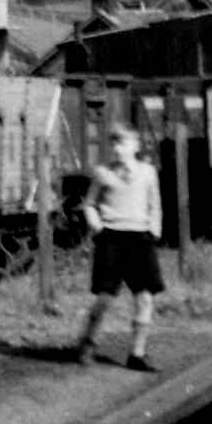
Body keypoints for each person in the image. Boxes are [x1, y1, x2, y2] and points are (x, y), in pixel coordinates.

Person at [72, 128, 165, 371]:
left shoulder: (148, 172)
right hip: (111, 240)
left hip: (140, 240)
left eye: (122, 143)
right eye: (113, 144)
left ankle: (137, 353)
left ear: (135, 145)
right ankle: (87, 343)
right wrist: (97, 226)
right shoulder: (103, 173)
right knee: (104, 298)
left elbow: (155, 205)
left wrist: (154, 231)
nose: (116, 149)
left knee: (144, 298)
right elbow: (89, 204)